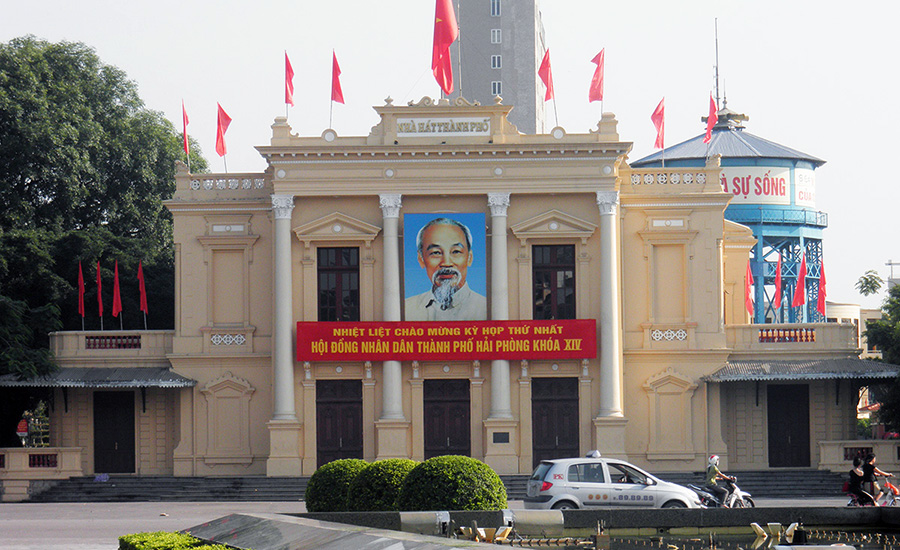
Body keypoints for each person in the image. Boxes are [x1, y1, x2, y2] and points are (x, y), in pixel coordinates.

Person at [405, 217, 487, 321]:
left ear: (469, 258)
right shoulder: (407, 309)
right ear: (421, 259)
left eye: (456, 251)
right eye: (436, 252)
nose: (446, 263)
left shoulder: (486, 309)